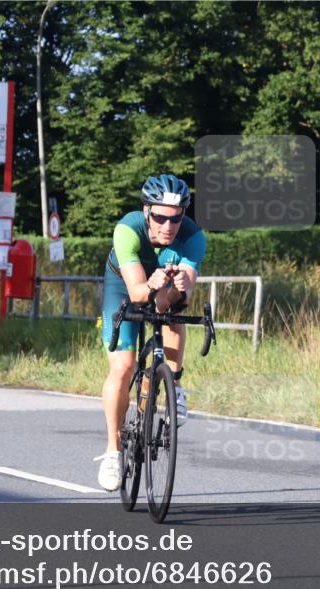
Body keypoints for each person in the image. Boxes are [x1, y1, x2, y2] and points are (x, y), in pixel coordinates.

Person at [94, 174, 206, 491]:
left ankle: (174, 386)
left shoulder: (194, 237)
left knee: (174, 314)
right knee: (123, 366)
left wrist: (179, 290)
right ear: (147, 212)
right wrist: (153, 285)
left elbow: (170, 300)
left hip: (161, 286)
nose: (168, 226)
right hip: (124, 285)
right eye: (159, 217)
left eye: (176, 218)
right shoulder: (127, 229)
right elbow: (139, 292)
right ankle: (113, 451)